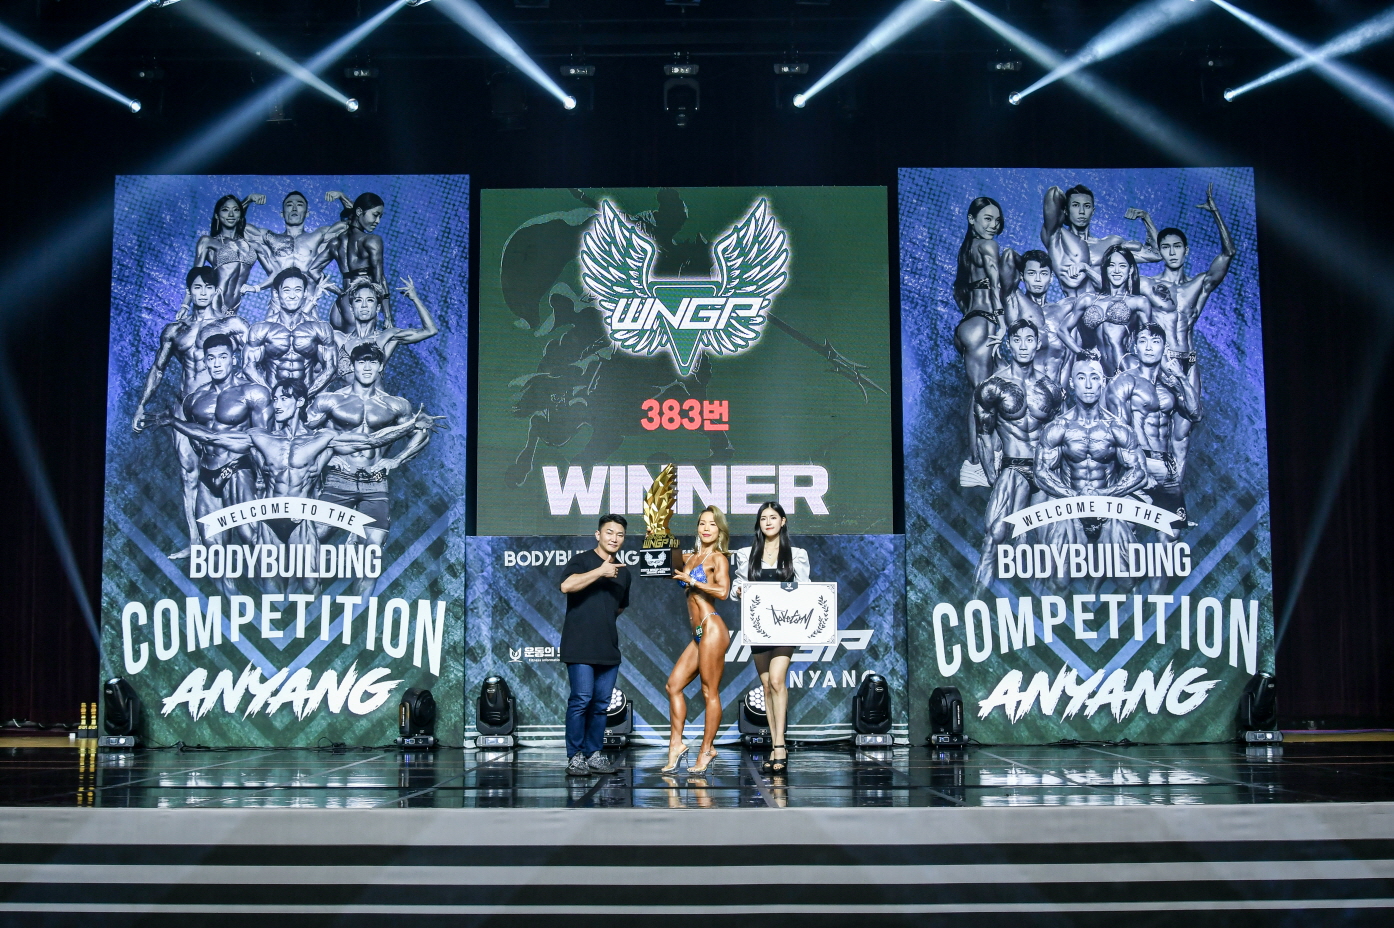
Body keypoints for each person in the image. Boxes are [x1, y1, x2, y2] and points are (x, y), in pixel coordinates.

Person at [131, 266, 251, 558]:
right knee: (189, 474)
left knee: (232, 473)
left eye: (208, 287)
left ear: (216, 290)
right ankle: (197, 543)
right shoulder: (176, 330)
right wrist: (142, 405)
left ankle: (237, 542)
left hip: (221, 409)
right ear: (189, 291)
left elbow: (252, 362)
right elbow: (158, 369)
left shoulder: (231, 325)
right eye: (197, 287)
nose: (203, 293)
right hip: (185, 407)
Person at [304, 343, 435, 595]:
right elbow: (301, 434)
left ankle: (359, 611)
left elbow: (421, 433)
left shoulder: (396, 405)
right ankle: (310, 607)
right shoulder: (331, 400)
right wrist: (327, 457)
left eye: (373, 362)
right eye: (362, 362)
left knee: (372, 553)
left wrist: (396, 460)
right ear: (352, 366)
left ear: (380, 366)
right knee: (312, 541)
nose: (367, 367)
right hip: (339, 479)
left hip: (374, 482)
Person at [973, 319, 1065, 589]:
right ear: (1009, 344)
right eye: (1017, 340)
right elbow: (984, 435)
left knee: (1047, 546)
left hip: (1044, 471)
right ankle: (974, 599)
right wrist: (993, 477)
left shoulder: (1051, 388)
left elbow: (1059, 436)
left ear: (1037, 344)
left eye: (1029, 339)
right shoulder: (993, 387)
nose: (1023, 346)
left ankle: (1041, 606)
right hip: (1013, 466)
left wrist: (1057, 474)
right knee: (994, 536)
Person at [731, 501, 809, 776]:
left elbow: (807, 590)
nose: (768, 522)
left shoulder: (797, 555)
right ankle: (775, 745)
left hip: (786, 625)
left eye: (773, 517)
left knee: (777, 680)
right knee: (766, 686)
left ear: (783, 521)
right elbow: (736, 586)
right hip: (759, 627)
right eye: (763, 518)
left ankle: (780, 745)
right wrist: (739, 591)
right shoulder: (746, 553)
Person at [557, 514, 632, 778]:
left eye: (620, 534)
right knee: (581, 700)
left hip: (608, 648)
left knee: (601, 704)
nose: (614, 538)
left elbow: (619, 607)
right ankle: (575, 757)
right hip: (579, 645)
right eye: (609, 532)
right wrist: (600, 571)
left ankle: (593, 754)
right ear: (598, 535)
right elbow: (566, 586)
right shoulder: (582, 560)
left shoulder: (624, 573)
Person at [1106, 323, 1200, 522]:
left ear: (1164, 348)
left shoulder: (1169, 386)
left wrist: (1182, 378)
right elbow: (1120, 433)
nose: (1149, 347)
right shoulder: (1125, 382)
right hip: (1138, 463)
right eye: (1143, 341)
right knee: (1128, 526)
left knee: (1172, 530)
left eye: (1155, 342)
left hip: (1167, 466)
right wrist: (1137, 469)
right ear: (1135, 347)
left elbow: (1195, 414)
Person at [663, 505, 732, 775]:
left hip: (712, 627)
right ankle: (676, 744)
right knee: (673, 686)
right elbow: (664, 560)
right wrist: (656, 537)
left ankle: (707, 749)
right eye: (702, 523)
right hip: (697, 634)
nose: (706, 528)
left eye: (712, 524)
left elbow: (723, 592)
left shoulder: (718, 559)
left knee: (708, 692)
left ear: (719, 530)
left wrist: (693, 581)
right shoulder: (689, 557)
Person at [952, 196, 1012, 488]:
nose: (993, 225)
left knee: (987, 391)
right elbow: (995, 282)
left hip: (971, 323)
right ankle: (975, 463)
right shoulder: (988, 246)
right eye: (987, 218)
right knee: (982, 397)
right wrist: (1001, 322)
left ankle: (983, 458)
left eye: (997, 220)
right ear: (971, 219)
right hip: (984, 323)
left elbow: (963, 291)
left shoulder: (968, 248)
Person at [243, 267, 338, 396]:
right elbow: (248, 367)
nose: (292, 296)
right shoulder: (260, 329)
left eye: (297, 290)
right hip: (272, 397)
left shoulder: (320, 328)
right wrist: (274, 397)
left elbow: (331, 368)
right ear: (276, 294)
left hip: (308, 395)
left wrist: (306, 396)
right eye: (286, 290)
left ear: (305, 293)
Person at [333, 277, 438, 375]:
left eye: (370, 300)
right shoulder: (339, 339)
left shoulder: (386, 338)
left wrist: (415, 299)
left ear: (378, 308)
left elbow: (431, 330)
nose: (364, 305)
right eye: (358, 300)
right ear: (351, 308)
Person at [194, 193, 267, 316]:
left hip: (234, 307)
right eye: (225, 210)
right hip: (215, 303)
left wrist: (256, 288)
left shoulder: (247, 244)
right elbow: (194, 277)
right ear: (217, 215)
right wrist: (185, 306)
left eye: (235, 210)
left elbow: (234, 216)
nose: (231, 214)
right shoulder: (210, 242)